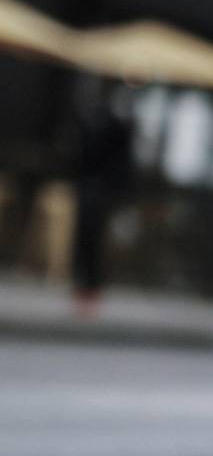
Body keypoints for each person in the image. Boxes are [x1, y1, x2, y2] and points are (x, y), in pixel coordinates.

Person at [69, 78, 136, 313]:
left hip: (99, 190)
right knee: (86, 242)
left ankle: (89, 292)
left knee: (92, 242)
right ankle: (84, 291)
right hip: (94, 189)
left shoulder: (116, 126)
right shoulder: (100, 122)